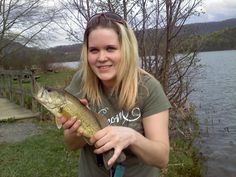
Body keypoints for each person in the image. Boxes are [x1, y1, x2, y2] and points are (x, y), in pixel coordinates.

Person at [60, 11, 171, 177]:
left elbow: (162, 158)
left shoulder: (148, 88)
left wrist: (133, 137)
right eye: (94, 50)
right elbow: (71, 145)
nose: (101, 58)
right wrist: (75, 131)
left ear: (126, 49)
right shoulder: (80, 81)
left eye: (110, 49)